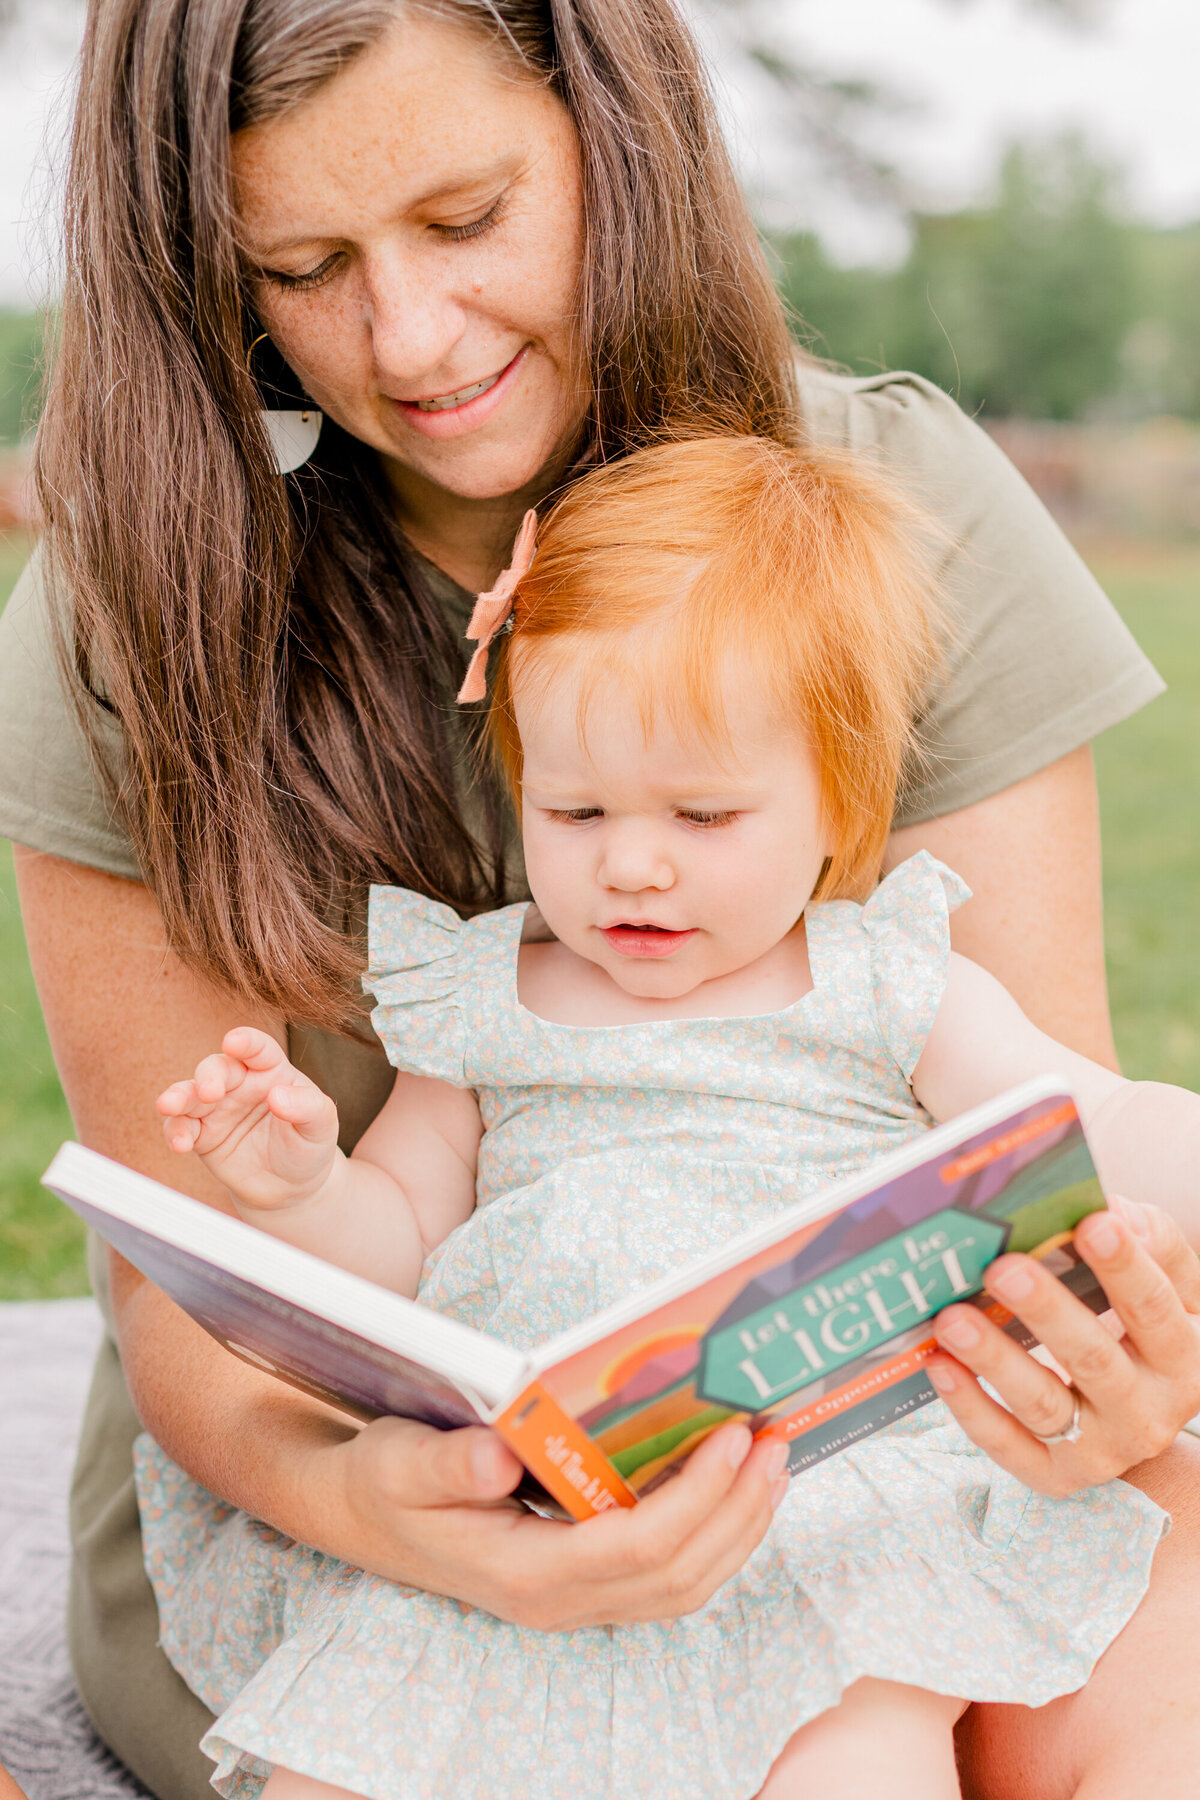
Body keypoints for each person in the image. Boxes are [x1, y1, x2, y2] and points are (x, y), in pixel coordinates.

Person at [1, 4, 1199, 1797]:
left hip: (880, 1465)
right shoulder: (139, 610)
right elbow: (209, 1306)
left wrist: (1113, 1368)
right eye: (303, 267)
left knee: (1131, 1673)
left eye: (468, 218)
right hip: (363, 1503)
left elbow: (1054, 1172)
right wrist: (379, 1499)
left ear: (614, 136)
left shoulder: (895, 512)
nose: (406, 337)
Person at [145, 436, 1199, 1800]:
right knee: (356, 1752)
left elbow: (1079, 1122)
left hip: (826, 1510)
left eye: (703, 813)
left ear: (837, 799)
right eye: (574, 807)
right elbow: (399, 1243)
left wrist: (1165, 1156)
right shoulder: (483, 999)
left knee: (858, 1755)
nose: (632, 861)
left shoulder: (890, 981)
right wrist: (294, 1187)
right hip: (534, 1515)